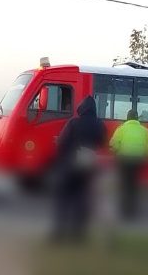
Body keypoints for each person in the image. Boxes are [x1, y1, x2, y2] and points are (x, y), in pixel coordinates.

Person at [51, 95, 107, 242]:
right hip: (88, 164)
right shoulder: (100, 125)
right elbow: (101, 142)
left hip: (70, 163)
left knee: (63, 198)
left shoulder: (74, 123)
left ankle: (59, 233)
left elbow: (62, 143)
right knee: (82, 199)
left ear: (82, 109)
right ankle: (78, 235)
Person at [109, 109, 148, 220]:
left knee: (124, 184)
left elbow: (113, 145)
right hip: (138, 161)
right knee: (134, 185)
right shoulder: (145, 131)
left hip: (124, 160)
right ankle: (133, 210)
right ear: (137, 118)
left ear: (127, 118)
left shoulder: (121, 129)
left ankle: (124, 210)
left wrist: (116, 152)